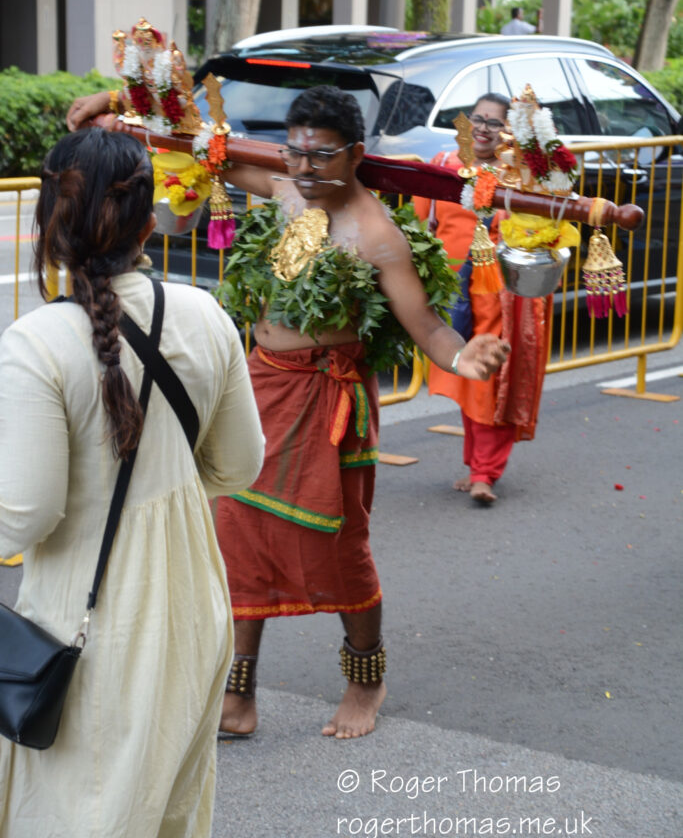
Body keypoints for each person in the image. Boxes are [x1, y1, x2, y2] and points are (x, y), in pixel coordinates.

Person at [66, 85, 509, 741]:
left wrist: (461, 355)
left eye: (321, 156)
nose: (304, 168)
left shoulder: (376, 234)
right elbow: (187, 147)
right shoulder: (280, 191)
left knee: (339, 550)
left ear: (355, 154)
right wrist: (114, 107)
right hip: (257, 387)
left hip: (330, 402)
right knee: (237, 538)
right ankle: (238, 693)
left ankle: (365, 677)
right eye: (295, 153)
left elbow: (425, 325)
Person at [0, 128, 264, 838]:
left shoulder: (35, 344)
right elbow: (240, 466)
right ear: (151, 223)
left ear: (46, 224)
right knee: (168, 820)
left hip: (87, 627)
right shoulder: (206, 316)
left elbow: (20, 516)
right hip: (194, 611)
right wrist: (166, 483)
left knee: (78, 822)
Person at [413, 93, 551, 505]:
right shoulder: (443, 166)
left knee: (491, 378)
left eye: (495, 122)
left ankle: (483, 473)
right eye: (479, 118)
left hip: (500, 294)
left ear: (509, 132)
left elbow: (540, 226)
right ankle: (476, 463)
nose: (485, 128)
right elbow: (421, 226)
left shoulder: (520, 177)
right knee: (466, 376)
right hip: (453, 288)